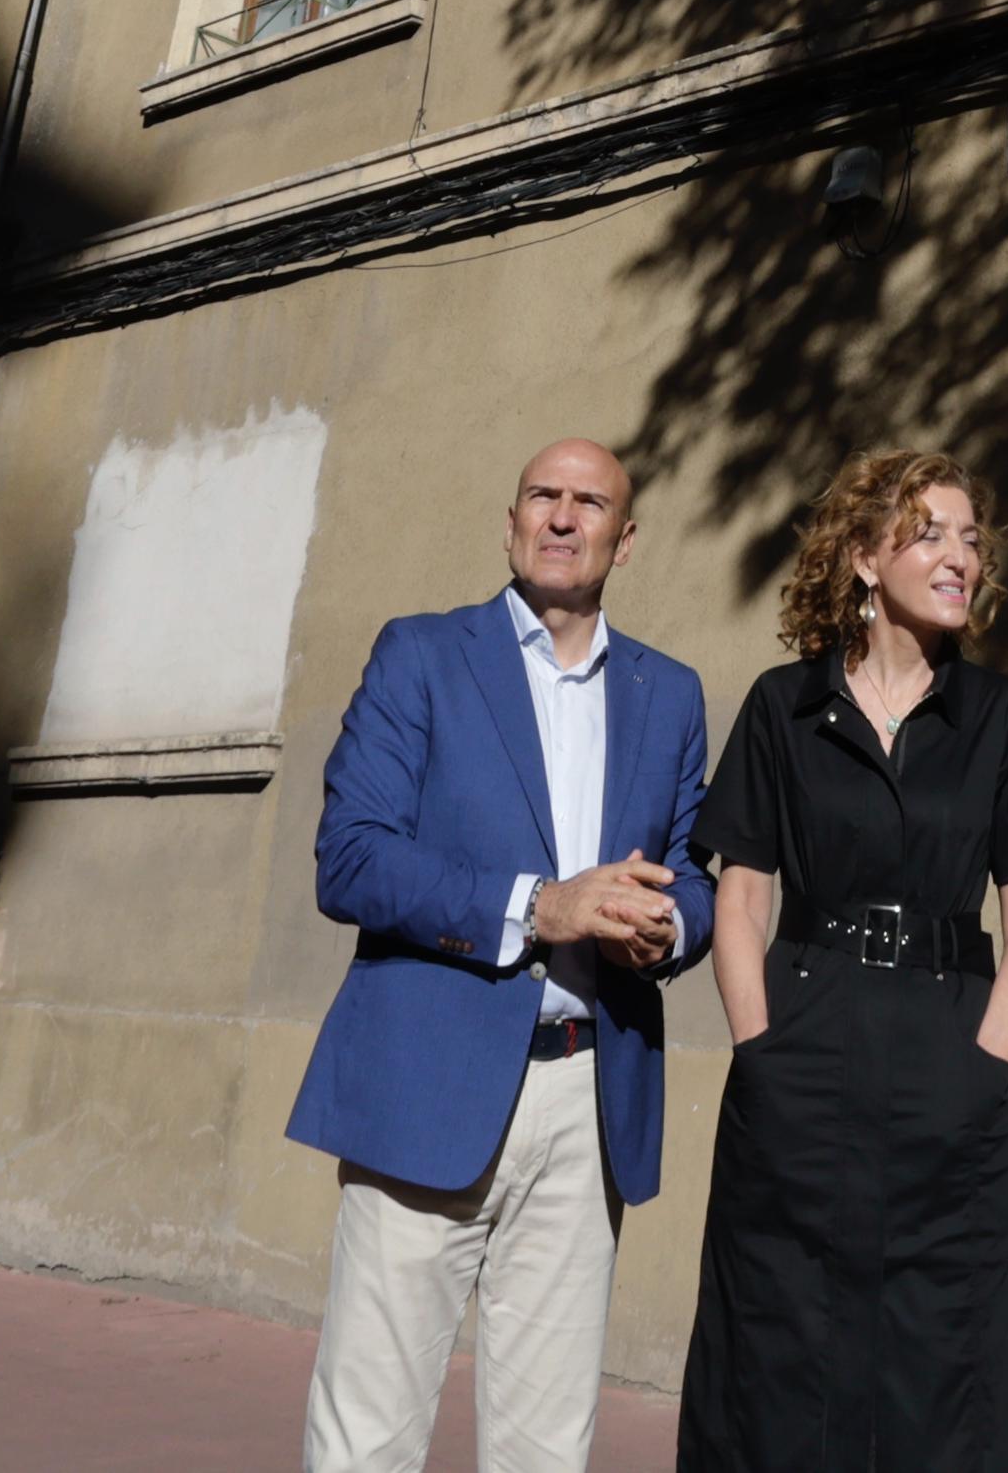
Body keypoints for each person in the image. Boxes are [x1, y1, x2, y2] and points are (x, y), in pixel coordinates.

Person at [287, 437, 715, 1473]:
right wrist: (541, 906)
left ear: (625, 539)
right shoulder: (423, 654)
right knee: (368, 1433)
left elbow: (692, 871)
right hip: (425, 1084)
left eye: (589, 503)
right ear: (511, 521)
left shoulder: (669, 692)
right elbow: (351, 857)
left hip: (588, 1095)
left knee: (545, 1445)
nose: (562, 517)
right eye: (541, 496)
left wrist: (670, 930)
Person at [681, 449, 1008, 1473]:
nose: (960, 557)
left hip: (950, 1049)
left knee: (944, 1347)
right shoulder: (783, 707)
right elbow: (741, 896)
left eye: (969, 539)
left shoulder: (999, 718)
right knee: (778, 1338)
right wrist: (759, 1049)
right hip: (801, 1044)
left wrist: (987, 1065)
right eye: (928, 533)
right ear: (861, 558)